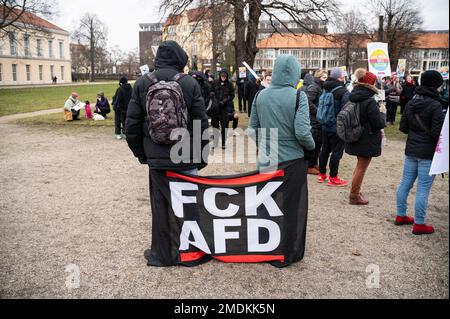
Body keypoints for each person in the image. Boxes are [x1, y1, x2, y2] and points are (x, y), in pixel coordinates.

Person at [125, 40, 209, 267]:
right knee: (189, 206)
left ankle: (162, 254)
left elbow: (131, 126)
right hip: (186, 156)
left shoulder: (143, 82)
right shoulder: (190, 83)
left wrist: (143, 155)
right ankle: (192, 253)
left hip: (157, 158)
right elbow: (201, 123)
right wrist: (201, 157)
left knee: (160, 208)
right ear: (181, 59)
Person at [395, 70, 445, 235]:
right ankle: (419, 223)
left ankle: (401, 215)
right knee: (423, 189)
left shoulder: (411, 102)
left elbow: (403, 127)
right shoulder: (436, 105)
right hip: (427, 153)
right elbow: (438, 133)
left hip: (412, 150)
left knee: (405, 184)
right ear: (436, 85)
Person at [248, 53, 314, 175]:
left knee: (266, 193)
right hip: (292, 160)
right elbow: (302, 132)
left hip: (266, 159)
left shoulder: (260, 95)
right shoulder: (299, 96)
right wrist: (311, 147)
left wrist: (263, 145)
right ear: (295, 72)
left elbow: (252, 129)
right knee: (291, 194)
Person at [345, 69, 387, 205]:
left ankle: (355, 190)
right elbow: (378, 123)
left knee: (359, 165)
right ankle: (354, 195)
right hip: (367, 137)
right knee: (362, 166)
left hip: (356, 135)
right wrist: (382, 113)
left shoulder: (353, 96)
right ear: (370, 84)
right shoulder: (369, 100)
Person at [317, 67, 350, 187]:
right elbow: (346, 111)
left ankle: (321, 174)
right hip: (337, 127)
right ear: (340, 77)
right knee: (336, 152)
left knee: (325, 150)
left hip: (325, 124)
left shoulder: (325, 88)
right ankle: (333, 177)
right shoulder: (343, 91)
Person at [303, 70, 327, 175]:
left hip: (319, 119)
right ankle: (309, 165)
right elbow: (308, 102)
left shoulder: (321, 87)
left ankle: (314, 162)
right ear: (319, 77)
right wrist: (318, 112)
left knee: (318, 143)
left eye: (326, 77)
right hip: (314, 119)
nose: (326, 79)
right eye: (324, 77)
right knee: (314, 143)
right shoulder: (314, 86)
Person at [211, 69, 235, 149]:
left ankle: (223, 143)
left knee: (224, 126)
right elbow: (210, 91)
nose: (223, 78)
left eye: (225, 76)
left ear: (226, 76)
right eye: (222, 76)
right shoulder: (214, 82)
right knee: (215, 126)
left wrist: (225, 101)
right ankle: (215, 142)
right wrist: (213, 97)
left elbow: (232, 95)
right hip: (215, 108)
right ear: (220, 76)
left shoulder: (230, 84)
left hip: (225, 108)